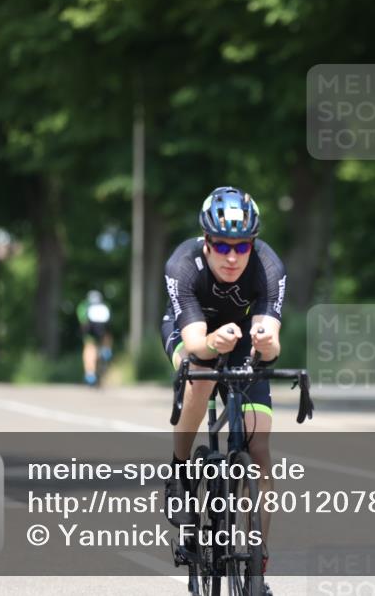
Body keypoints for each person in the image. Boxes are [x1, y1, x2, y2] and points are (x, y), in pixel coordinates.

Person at [162, 186, 286, 588]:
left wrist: (265, 343)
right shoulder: (182, 265)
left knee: (260, 450)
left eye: (242, 246)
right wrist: (213, 344)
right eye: (222, 245)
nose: (232, 256)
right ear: (206, 242)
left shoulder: (269, 265)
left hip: (241, 341)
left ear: (253, 244)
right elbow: (198, 340)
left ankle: (256, 562)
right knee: (199, 370)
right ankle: (181, 470)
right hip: (193, 333)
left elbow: (272, 340)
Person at [77, 289, 111, 386]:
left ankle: (90, 374)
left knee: (89, 348)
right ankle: (106, 350)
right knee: (106, 336)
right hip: (103, 332)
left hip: (90, 333)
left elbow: (83, 323)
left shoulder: (83, 306)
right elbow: (109, 325)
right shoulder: (105, 306)